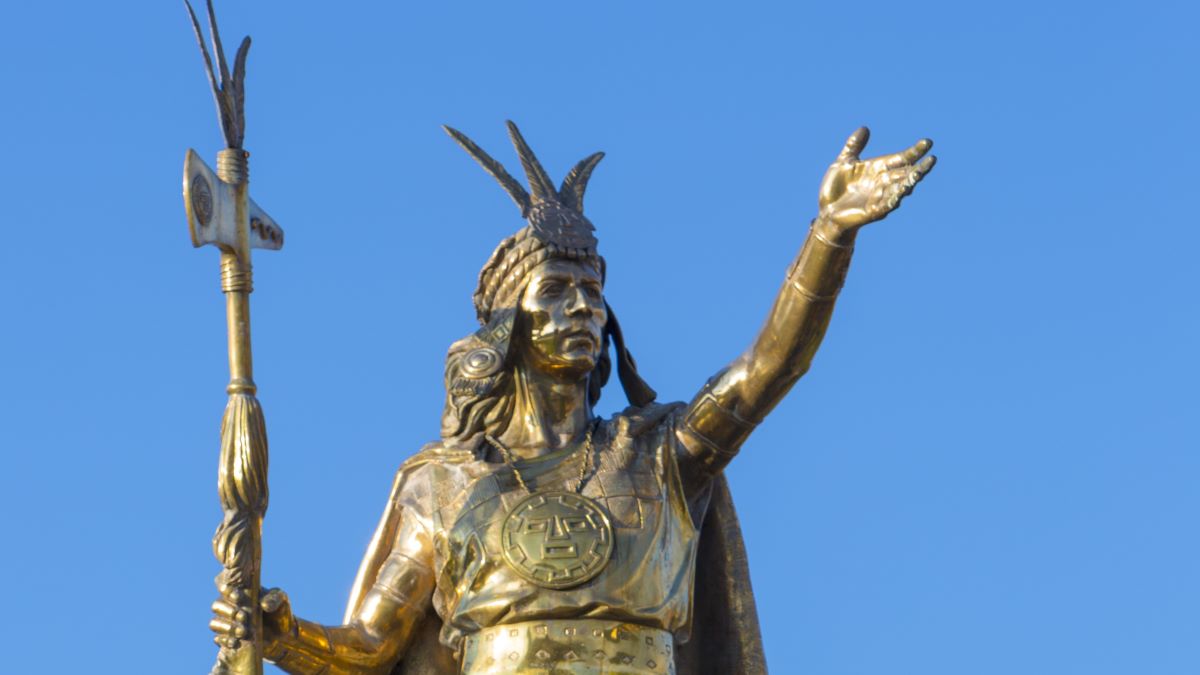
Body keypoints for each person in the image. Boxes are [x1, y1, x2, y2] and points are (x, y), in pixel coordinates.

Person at [209, 122, 936, 675]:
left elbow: (765, 371)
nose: (583, 308)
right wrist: (279, 631)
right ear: (506, 329)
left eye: (593, 294)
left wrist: (830, 235)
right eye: (556, 291)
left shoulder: (657, 454)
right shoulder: (440, 485)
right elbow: (368, 647)